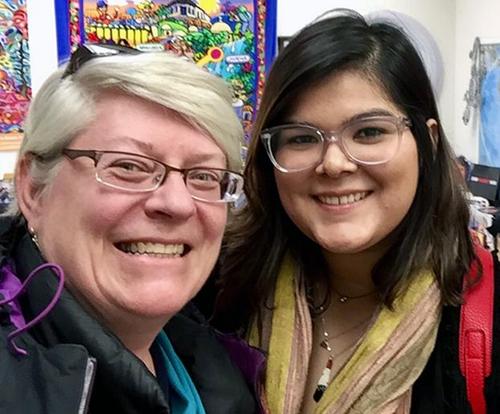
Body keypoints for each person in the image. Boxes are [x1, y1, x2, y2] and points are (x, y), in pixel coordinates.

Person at [211, 9, 500, 413]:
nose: (333, 164)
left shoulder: (483, 320)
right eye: (301, 138)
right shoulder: (223, 292)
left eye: (369, 132)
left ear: (428, 141)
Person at [0, 44, 259, 413]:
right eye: (129, 167)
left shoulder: (215, 356)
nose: (176, 204)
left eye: (204, 176)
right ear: (34, 189)